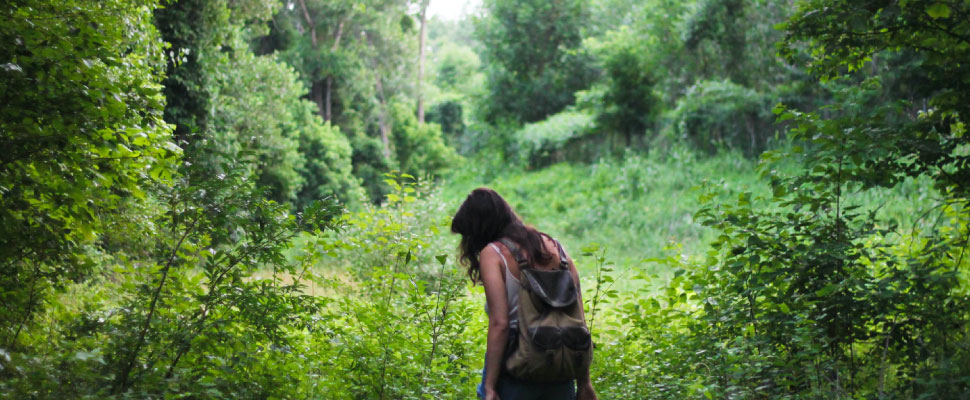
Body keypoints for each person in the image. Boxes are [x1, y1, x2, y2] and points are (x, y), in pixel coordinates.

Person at [451, 188, 598, 400]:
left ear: (479, 229)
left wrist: (490, 387)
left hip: (517, 366)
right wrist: (585, 383)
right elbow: (577, 321)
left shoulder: (494, 253)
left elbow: (500, 324)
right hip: (561, 368)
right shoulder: (557, 249)